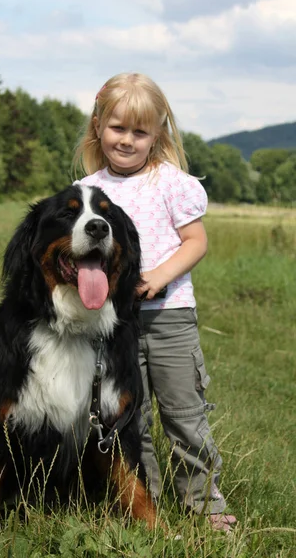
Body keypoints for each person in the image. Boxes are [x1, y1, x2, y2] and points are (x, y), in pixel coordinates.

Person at [73, 72, 236, 531]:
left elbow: (195, 242)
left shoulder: (171, 183)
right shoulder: (90, 189)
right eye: (117, 128)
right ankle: (142, 503)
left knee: (184, 414)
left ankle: (206, 504)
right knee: (128, 418)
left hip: (170, 318)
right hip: (112, 324)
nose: (126, 140)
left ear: (157, 135)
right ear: (98, 127)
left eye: (139, 132)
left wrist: (157, 278)